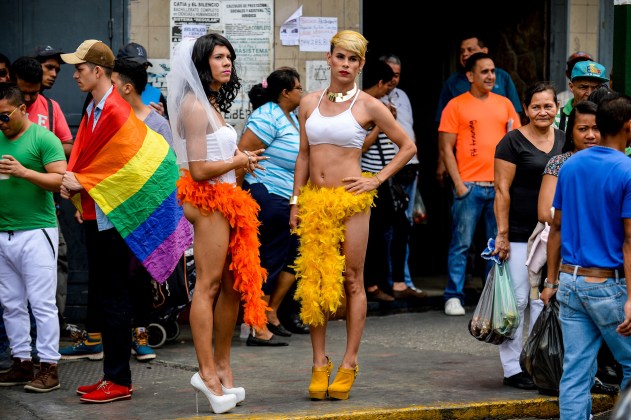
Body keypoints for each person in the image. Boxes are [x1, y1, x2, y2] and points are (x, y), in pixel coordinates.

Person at [60, 39, 190, 404]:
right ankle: (110, 377)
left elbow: (133, 169)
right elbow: (94, 157)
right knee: (106, 298)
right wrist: (80, 180)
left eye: (80, 68)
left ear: (98, 71)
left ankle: (118, 380)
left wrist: (82, 181)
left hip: (114, 220)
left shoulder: (114, 110)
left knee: (114, 299)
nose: (74, 75)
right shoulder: (96, 109)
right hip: (99, 215)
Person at [290, 30, 416, 401]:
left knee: (352, 279)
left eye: (353, 59)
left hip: (351, 201)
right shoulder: (309, 103)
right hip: (314, 203)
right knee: (315, 282)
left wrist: (375, 179)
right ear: (328, 59)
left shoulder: (367, 105)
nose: (345, 64)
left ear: (360, 65)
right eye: (340, 57)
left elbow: (408, 146)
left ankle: (349, 362)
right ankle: (318, 362)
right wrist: (295, 202)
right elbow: (303, 155)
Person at [167, 33, 268, 414]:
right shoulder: (194, 105)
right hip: (207, 200)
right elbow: (196, 169)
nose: (227, 63)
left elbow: (215, 152)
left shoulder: (210, 102)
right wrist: (237, 162)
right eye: (219, 57)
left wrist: (241, 156)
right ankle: (206, 373)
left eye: (229, 57)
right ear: (202, 64)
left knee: (231, 286)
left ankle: (223, 366)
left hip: (227, 199)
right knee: (207, 286)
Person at [541, 93, 631, 419]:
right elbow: (629, 241)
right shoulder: (627, 170)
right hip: (608, 285)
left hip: (570, 281)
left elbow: (557, 227)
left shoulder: (571, 165)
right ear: (627, 126)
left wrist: (552, 280)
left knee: (575, 372)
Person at [493, 81, 564, 389]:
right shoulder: (511, 142)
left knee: (543, 300)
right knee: (518, 300)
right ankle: (512, 368)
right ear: (526, 109)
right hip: (521, 232)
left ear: (557, 108)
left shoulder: (564, 140)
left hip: (556, 233)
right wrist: (502, 234)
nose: (542, 111)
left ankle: (537, 361)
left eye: (548, 105)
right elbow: (501, 190)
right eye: (536, 106)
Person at [439, 52, 521, 316]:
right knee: (460, 244)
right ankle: (453, 295)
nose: (490, 76)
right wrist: (459, 185)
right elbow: (446, 149)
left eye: (492, 71)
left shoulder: (505, 104)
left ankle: (492, 298)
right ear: (470, 76)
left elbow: (516, 142)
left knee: (496, 245)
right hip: (469, 185)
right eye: (484, 71)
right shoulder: (456, 105)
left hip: (499, 187)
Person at [0, 83, 66, 392]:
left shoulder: (43, 138)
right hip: (3, 232)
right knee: (11, 303)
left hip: (37, 231)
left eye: (4, 116)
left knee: (41, 303)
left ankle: (49, 367)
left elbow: (60, 181)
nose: (1, 123)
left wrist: (24, 172)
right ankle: (21, 363)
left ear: (22, 109)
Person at [238, 67, 305, 346]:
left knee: (291, 256)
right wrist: (237, 197)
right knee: (269, 260)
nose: (303, 92)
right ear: (286, 92)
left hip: (287, 197)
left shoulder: (291, 117)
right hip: (267, 193)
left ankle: (270, 314)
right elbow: (243, 155)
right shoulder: (266, 116)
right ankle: (256, 326)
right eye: (299, 87)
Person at [435, 34, 522, 185]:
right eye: (462, 51)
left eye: (470, 49)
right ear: (470, 76)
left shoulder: (503, 81)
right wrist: (443, 164)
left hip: (498, 179)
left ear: (484, 51)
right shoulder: (453, 86)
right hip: (467, 176)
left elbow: (516, 132)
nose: (465, 54)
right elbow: (445, 135)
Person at [379, 53, 424, 295]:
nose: (393, 80)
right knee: (387, 228)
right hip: (387, 168)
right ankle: (388, 281)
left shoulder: (403, 96)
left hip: (409, 165)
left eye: (397, 75)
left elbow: (410, 129)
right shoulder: (372, 100)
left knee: (405, 225)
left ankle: (403, 280)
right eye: (389, 75)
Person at [11, 57, 73, 156]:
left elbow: (68, 146)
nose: (27, 99)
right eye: (22, 93)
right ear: (12, 83)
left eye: (33, 93)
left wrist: (43, 149)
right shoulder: (3, 106)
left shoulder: (51, 107)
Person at [116, 42, 168, 119]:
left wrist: (162, 117)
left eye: (144, 65)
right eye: (136, 65)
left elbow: (168, 127)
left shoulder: (156, 94)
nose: (141, 70)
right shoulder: (110, 92)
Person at [554, 60, 609, 131]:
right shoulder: (557, 118)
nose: (589, 93)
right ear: (571, 87)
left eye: (595, 88)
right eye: (583, 87)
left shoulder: (609, 116)